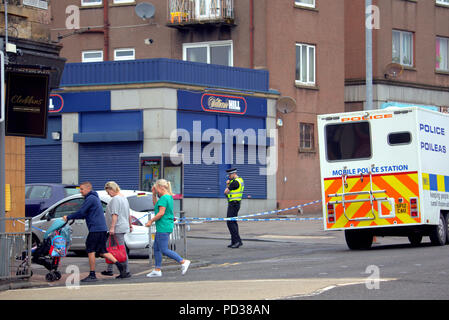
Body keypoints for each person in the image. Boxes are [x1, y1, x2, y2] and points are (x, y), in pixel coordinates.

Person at [63, 181, 126, 282]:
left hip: (95, 229)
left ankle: (92, 274)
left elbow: (82, 212)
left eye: (82, 189)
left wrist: (68, 217)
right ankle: (120, 266)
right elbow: (84, 214)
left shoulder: (90, 198)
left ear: (88, 189)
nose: (81, 191)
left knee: (90, 250)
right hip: (101, 228)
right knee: (102, 251)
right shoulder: (94, 198)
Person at [145, 179, 190, 277]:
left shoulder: (164, 198)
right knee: (156, 248)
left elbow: (161, 213)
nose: (156, 190)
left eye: (156, 188)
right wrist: (153, 194)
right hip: (164, 225)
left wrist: (150, 221)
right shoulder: (167, 197)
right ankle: (157, 269)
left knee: (164, 249)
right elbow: (156, 205)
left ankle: (183, 261)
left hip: (163, 226)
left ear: (161, 187)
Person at [101, 181, 133, 279]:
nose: (108, 194)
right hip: (122, 226)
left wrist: (112, 227)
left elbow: (115, 214)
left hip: (117, 227)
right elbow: (128, 214)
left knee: (120, 249)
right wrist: (130, 225)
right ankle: (110, 269)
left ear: (112, 189)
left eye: (108, 192)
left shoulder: (115, 199)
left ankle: (125, 271)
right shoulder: (124, 198)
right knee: (109, 248)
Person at [224, 168, 244, 248]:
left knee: (230, 223)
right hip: (236, 204)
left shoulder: (235, 182)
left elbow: (226, 192)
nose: (229, 176)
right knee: (233, 222)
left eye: (229, 175)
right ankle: (235, 241)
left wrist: (228, 185)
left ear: (234, 174)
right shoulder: (240, 180)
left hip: (233, 204)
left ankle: (237, 241)